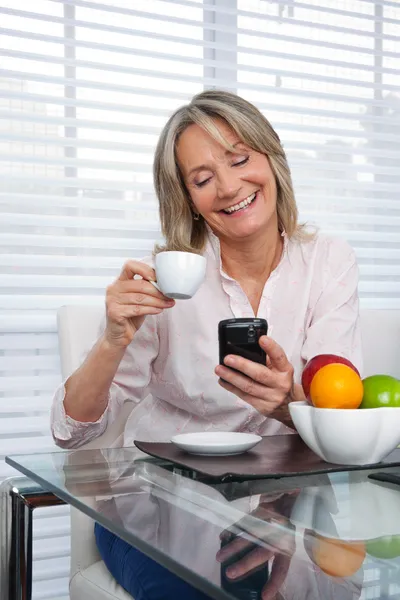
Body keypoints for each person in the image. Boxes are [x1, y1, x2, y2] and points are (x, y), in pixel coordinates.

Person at [51, 90, 363, 600]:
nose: (229, 186)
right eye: (202, 179)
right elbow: (71, 435)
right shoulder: (164, 282)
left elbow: (345, 420)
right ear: (188, 200)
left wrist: (289, 408)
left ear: (271, 156)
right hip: (155, 505)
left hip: (284, 505)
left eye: (239, 159)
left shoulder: (329, 262)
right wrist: (112, 340)